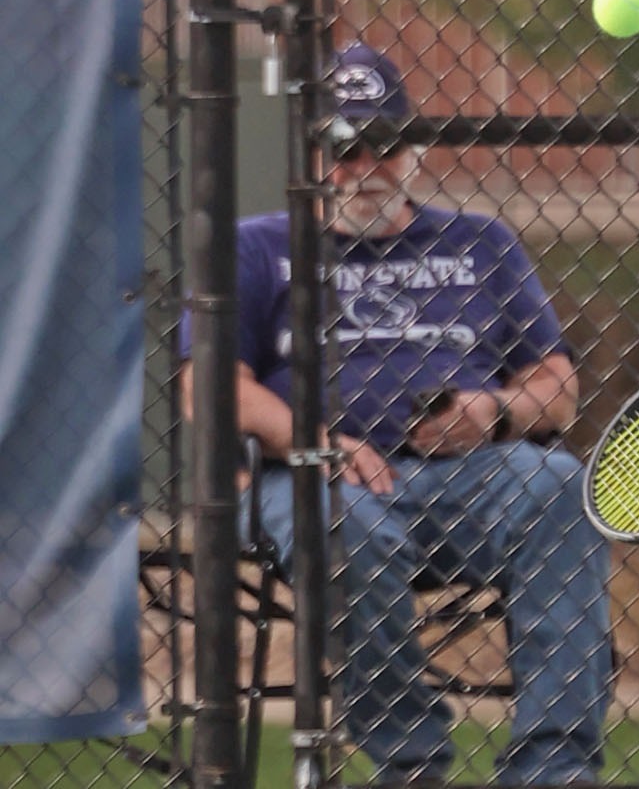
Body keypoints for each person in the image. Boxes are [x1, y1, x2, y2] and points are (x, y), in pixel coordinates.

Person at [180, 43, 612, 786]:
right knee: (350, 526)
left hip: (468, 476)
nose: (363, 168)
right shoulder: (255, 247)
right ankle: (411, 761)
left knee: (562, 489)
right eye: (344, 150)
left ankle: (553, 767)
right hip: (313, 482)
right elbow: (206, 385)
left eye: (383, 145)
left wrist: (496, 412)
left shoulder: (481, 242)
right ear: (313, 152)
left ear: (411, 149)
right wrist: (315, 445)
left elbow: (558, 386)